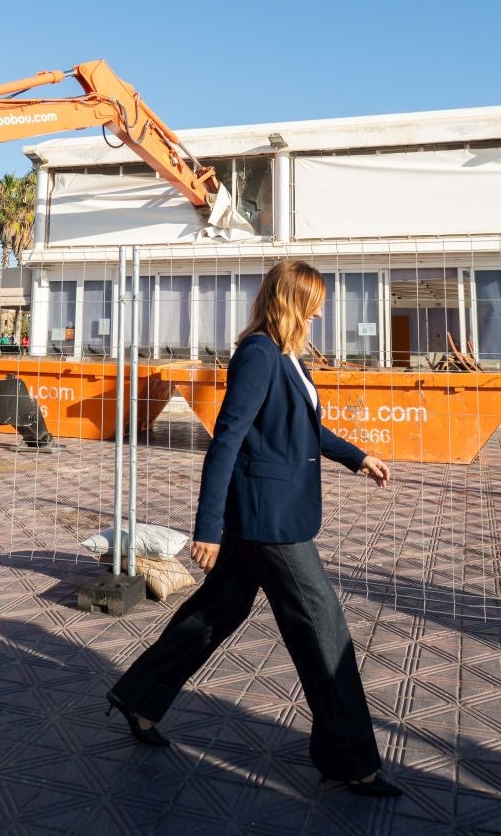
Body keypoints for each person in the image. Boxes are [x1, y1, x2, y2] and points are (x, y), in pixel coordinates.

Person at [107, 259, 401, 798]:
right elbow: (227, 441)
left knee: (217, 611)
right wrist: (208, 529)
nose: (321, 307)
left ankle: (140, 697)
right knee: (324, 629)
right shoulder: (260, 354)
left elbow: (305, 430)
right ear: (293, 301)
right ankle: (352, 762)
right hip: (268, 523)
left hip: (267, 514)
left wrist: (358, 458)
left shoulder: (289, 356)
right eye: (314, 297)